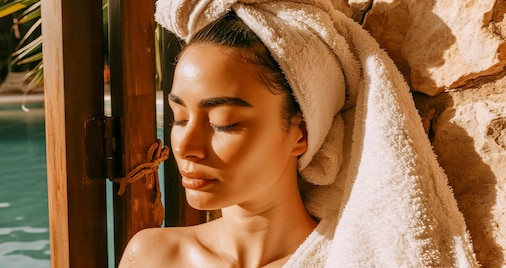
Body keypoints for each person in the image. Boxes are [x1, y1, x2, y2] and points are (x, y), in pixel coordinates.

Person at [120, 0, 478, 267]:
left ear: (302, 133)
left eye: (224, 123)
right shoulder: (151, 256)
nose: (186, 146)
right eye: (180, 117)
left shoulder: (350, 258)